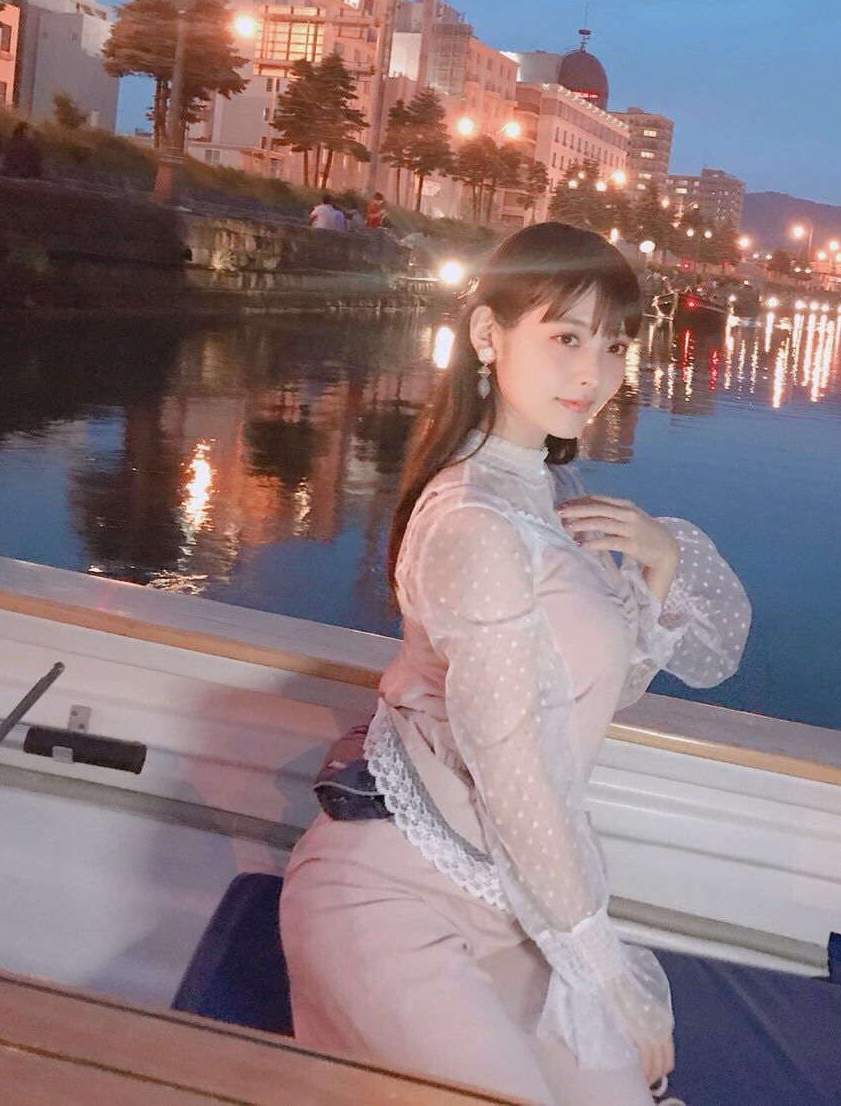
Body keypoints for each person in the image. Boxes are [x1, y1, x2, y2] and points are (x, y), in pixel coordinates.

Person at [280, 222, 751, 1105]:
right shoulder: (474, 521)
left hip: (508, 898)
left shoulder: (545, 488)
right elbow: (515, 772)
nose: (594, 374)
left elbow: (586, 693)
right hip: (389, 897)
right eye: (566, 338)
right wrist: (604, 968)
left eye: (615, 346)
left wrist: (659, 568)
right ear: (487, 335)